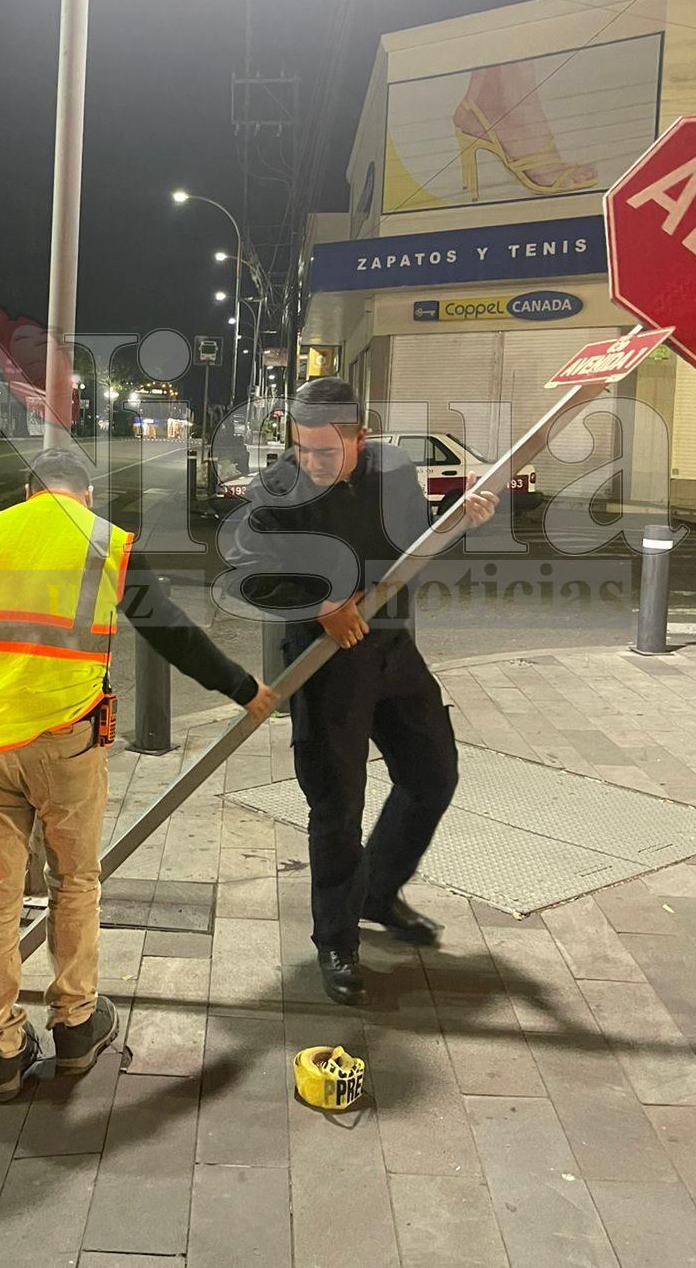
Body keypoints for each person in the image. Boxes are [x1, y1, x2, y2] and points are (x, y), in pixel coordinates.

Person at [0, 448, 275, 1102]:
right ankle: (76, 1028)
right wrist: (242, 687)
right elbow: (168, 631)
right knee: (75, 882)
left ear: (29, 492)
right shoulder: (105, 544)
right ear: (83, 494)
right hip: (66, 740)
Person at [225, 378, 497, 1006]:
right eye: (300, 449)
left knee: (433, 774)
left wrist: (460, 524)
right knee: (336, 806)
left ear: (360, 440)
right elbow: (244, 576)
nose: (310, 464)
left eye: (325, 452)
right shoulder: (277, 493)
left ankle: (378, 892)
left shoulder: (392, 471)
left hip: (394, 647)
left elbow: (415, 544)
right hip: (325, 666)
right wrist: (320, 604)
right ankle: (337, 940)